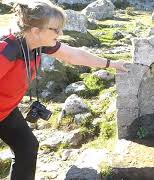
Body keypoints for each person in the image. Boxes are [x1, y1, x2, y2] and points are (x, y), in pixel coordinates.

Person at [0, 1, 128, 179]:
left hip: (5, 112)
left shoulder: (36, 43)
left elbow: (74, 55)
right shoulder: (7, 49)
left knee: (27, 147)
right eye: (55, 29)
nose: (61, 33)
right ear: (36, 30)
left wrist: (112, 64)